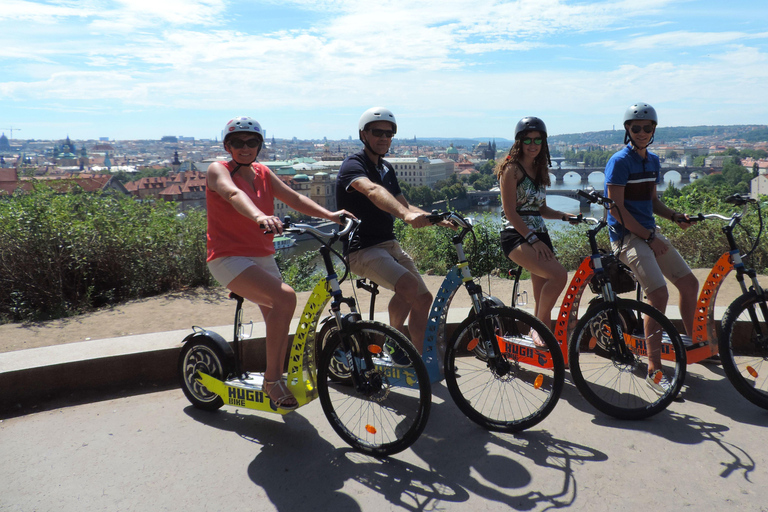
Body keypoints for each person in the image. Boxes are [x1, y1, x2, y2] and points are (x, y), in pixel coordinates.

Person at [206, 116, 352, 410]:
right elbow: (233, 194)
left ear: (260, 145)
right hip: (228, 256)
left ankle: (274, 374)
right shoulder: (216, 170)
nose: (244, 147)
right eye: (237, 142)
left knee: (278, 312)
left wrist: (332, 216)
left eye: (251, 142)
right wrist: (260, 216)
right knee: (285, 299)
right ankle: (272, 380)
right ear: (227, 146)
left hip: (262, 254)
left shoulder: (262, 172)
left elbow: (295, 198)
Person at [336, 107, 447, 356]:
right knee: (407, 286)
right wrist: (406, 216)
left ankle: (419, 357)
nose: (384, 138)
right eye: (378, 132)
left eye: (389, 133)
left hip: (388, 245)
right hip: (361, 249)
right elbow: (373, 192)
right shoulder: (353, 164)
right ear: (363, 134)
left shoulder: (386, 168)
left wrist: (437, 219)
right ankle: (393, 342)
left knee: (423, 299)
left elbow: (403, 205)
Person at [604, 102, 699, 394]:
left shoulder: (653, 161)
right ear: (627, 130)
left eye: (647, 128)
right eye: (636, 128)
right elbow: (617, 210)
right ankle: (654, 369)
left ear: (654, 130)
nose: (642, 132)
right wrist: (648, 237)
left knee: (689, 283)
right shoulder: (619, 162)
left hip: (648, 234)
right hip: (626, 238)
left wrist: (674, 216)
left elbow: (652, 202)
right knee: (658, 294)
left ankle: (694, 343)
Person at [495, 116, 574, 345]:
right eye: (527, 139)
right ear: (518, 141)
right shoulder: (511, 169)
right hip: (516, 235)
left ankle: (543, 344)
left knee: (542, 295)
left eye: (537, 140)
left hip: (539, 234)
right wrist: (532, 239)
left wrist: (564, 216)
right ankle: (537, 328)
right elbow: (510, 212)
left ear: (544, 143)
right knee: (559, 276)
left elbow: (540, 209)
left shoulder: (539, 169)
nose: (532, 144)